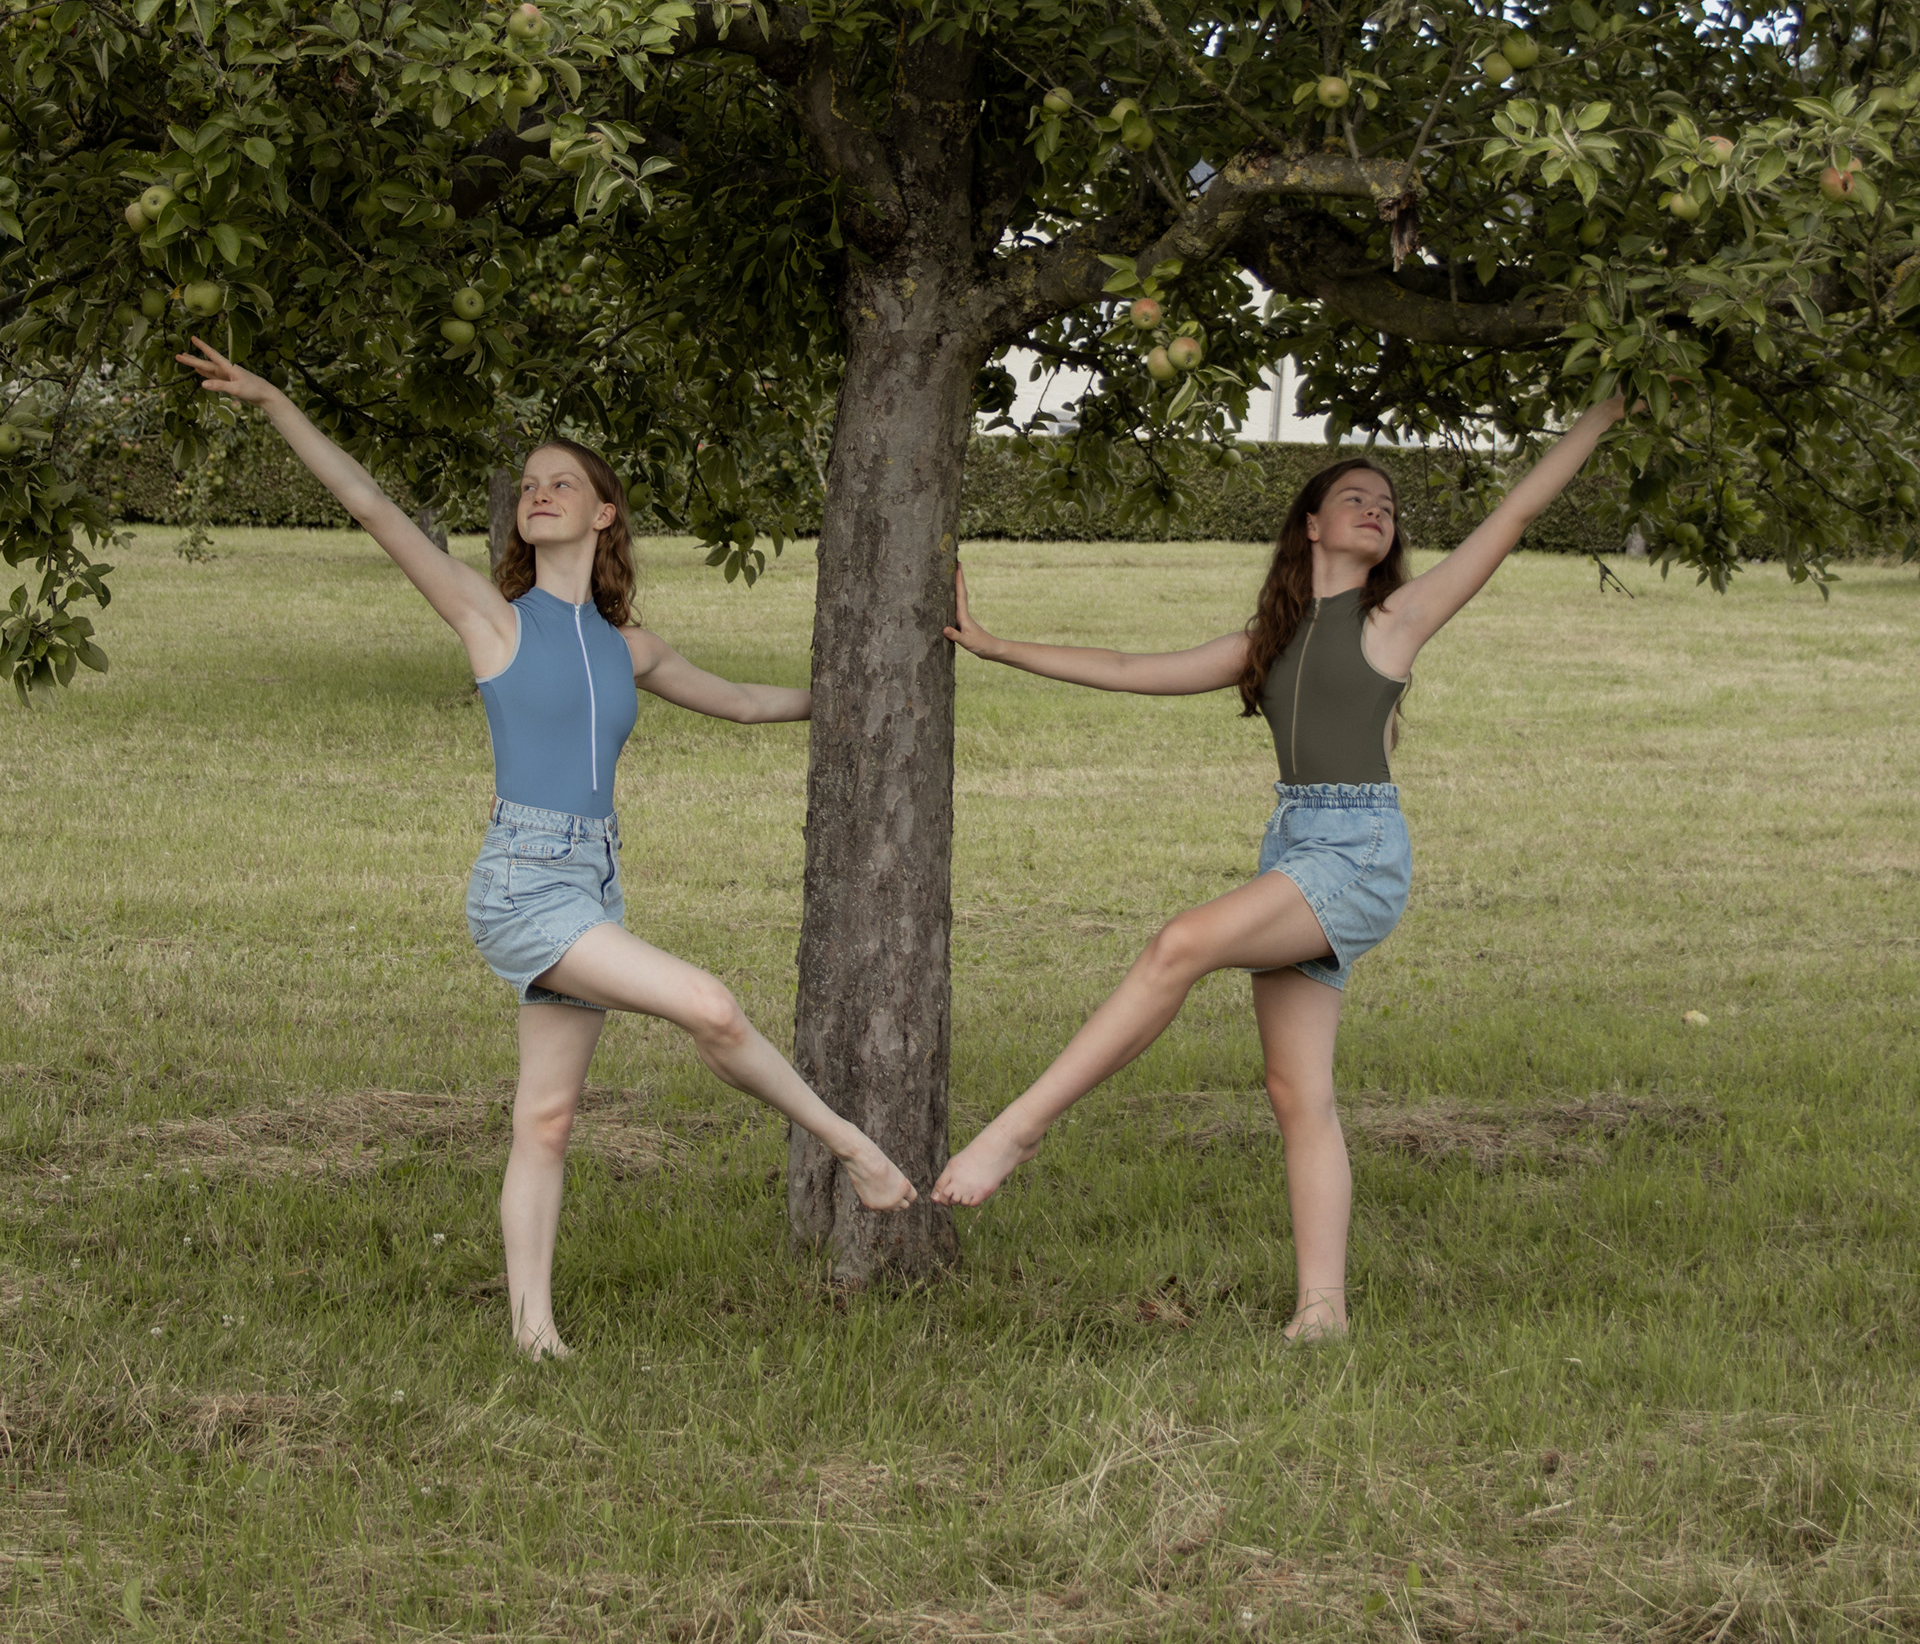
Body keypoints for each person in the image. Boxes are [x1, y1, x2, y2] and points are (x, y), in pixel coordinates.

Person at [177, 342, 915, 1357]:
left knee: (548, 1120)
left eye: (562, 482)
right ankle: (852, 1147)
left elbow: (747, 703)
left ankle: (533, 1333)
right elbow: (372, 507)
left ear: (604, 513)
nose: (540, 493)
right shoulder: (492, 620)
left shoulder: (629, 647)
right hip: (524, 885)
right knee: (709, 1005)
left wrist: (866, 697)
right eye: (530, 484)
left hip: (594, 881)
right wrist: (273, 401)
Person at [933, 396, 1626, 1337]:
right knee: (1298, 1094)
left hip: (1357, 851)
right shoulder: (1267, 643)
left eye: (1387, 505)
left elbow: (1515, 512)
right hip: (1296, 845)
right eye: (1354, 497)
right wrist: (995, 646)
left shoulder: (1397, 620)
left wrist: (1600, 414)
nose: (1376, 509)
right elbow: (1129, 666)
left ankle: (1020, 1129)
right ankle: (1322, 1312)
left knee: (1179, 944)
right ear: (1311, 524)